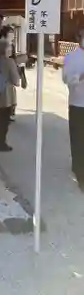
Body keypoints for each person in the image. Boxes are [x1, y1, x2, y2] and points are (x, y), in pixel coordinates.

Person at [62, 29, 84, 190]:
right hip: (78, 104)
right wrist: (81, 77)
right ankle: (80, 173)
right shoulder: (71, 57)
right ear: (80, 37)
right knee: (78, 140)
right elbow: (67, 80)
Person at [0, 39, 20, 152]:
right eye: (9, 47)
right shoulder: (9, 62)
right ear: (4, 49)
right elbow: (16, 80)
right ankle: (1, 144)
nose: (11, 49)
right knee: (4, 120)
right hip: (6, 94)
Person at [0, 24, 27, 121]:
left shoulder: (12, 45)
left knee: (11, 94)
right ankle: (3, 113)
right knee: (4, 94)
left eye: (13, 34)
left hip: (11, 72)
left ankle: (10, 112)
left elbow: (14, 58)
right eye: (11, 34)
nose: (13, 36)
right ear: (5, 35)